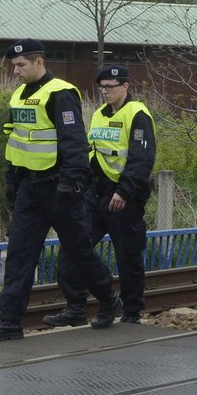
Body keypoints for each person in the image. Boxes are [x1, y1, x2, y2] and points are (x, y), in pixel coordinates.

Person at [0, 39, 122, 342]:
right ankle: (10, 322)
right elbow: (15, 141)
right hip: (30, 189)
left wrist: (71, 182)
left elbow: (73, 142)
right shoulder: (18, 95)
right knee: (19, 254)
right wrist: (11, 181)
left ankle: (109, 301)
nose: (15, 71)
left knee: (79, 252)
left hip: (60, 188)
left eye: (21, 65)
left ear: (39, 62)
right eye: (13, 66)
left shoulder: (61, 93)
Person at [43, 65, 156, 327]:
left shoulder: (137, 114)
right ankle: (76, 306)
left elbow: (141, 159)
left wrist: (124, 191)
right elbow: (91, 152)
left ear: (126, 86)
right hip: (96, 194)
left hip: (125, 198)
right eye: (102, 87)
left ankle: (131, 312)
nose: (105, 91)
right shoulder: (98, 115)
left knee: (128, 256)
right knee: (74, 248)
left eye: (110, 87)